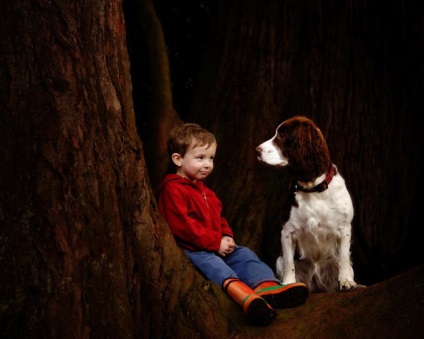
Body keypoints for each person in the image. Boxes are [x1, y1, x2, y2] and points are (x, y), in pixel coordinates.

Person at [155, 123, 308, 325]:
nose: (207, 164)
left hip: (213, 244)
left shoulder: (205, 191)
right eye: (200, 158)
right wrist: (214, 243)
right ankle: (248, 300)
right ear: (178, 159)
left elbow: (219, 218)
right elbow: (183, 227)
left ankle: (269, 288)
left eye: (211, 158)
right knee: (216, 267)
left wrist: (226, 236)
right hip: (193, 249)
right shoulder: (173, 189)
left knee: (245, 255)